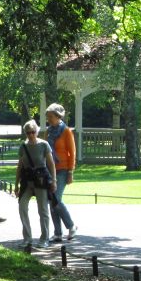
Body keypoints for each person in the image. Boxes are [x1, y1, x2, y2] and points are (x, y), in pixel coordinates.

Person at [16, 120, 57, 248]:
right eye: (28, 133)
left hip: (41, 180)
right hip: (27, 181)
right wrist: (16, 184)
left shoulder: (44, 145)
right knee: (22, 207)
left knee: (43, 210)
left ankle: (44, 238)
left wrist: (54, 181)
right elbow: (20, 166)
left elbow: (51, 164)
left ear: (37, 132)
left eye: (33, 132)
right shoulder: (23, 146)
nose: (31, 135)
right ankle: (27, 238)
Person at [44, 103, 78, 243]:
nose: (49, 119)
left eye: (51, 117)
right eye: (48, 117)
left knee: (56, 199)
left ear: (58, 117)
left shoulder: (66, 131)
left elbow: (72, 152)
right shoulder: (48, 131)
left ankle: (71, 226)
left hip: (63, 169)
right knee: (52, 202)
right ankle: (58, 233)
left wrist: (70, 171)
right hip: (50, 169)